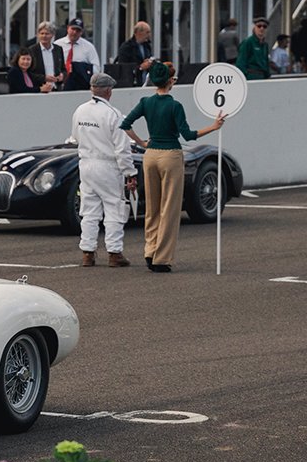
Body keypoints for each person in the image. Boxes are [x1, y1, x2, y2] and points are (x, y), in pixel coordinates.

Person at [119, 62, 225, 273]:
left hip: (150, 155)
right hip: (170, 155)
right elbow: (188, 135)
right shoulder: (175, 106)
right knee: (170, 207)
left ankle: (150, 250)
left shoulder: (145, 101)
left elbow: (125, 124)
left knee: (153, 205)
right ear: (170, 81)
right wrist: (213, 126)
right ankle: (162, 257)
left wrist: (141, 142)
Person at [71, 74, 135, 267]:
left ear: (92, 89)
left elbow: (74, 137)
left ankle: (87, 253)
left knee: (89, 210)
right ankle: (114, 253)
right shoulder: (114, 114)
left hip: (86, 164)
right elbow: (122, 149)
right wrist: (130, 172)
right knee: (114, 207)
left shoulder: (80, 110)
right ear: (109, 91)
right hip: (107, 165)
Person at [54, 18, 102, 91]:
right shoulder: (57, 44)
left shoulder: (88, 47)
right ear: (67, 28)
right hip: (59, 82)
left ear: (82, 32)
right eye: (73, 29)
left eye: (78, 30)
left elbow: (96, 68)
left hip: (80, 84)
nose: (74, 32)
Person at [23, 22, 66, 93]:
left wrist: (62, 75)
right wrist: (44, 78)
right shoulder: (32, 50)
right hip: (40, 89)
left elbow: (63, 69)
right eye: (42, 33)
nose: (44, 36)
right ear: (37, 35)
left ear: (52, 35)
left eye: (47, 34)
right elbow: (28, 72)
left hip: (56, 89)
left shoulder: (58, 49)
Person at [116, 21, 155, 86]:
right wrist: (140, 67)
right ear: (138, 33)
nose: (149, 35)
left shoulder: (146, 46)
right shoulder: (127, 47)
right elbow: (123, 67)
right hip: (132, 82)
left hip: (145, 80)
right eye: (147, 32)